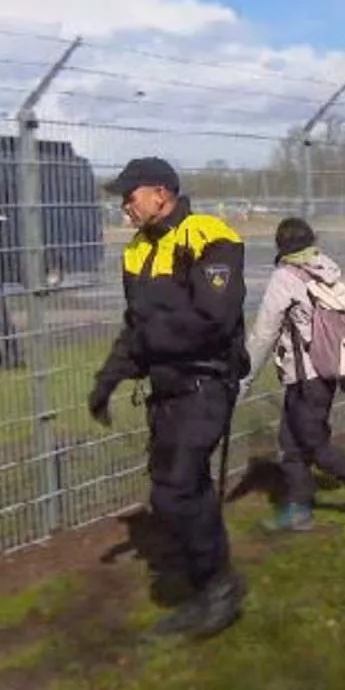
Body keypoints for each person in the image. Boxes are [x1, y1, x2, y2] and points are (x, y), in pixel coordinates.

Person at [88, 157, 248, 638]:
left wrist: (148, 344)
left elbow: (213, 319)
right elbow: (134, 328)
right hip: (165, 390)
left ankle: (217, 586)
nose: (124, 207)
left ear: (161, 193)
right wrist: (108, 379)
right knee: (182, 487)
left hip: (205, 382)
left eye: (129, 196)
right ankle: (210, 578)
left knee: (175, 490)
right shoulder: (136, 252)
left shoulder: (208, 235)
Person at [240, 218, 345, 531]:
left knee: (313, 445)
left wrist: (245, 379)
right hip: (327, 369)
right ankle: (299, 507)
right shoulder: (324, 268)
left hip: (306, 374)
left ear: (280, 246)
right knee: (291, 442)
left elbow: (263, 334)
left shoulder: (284, 276)